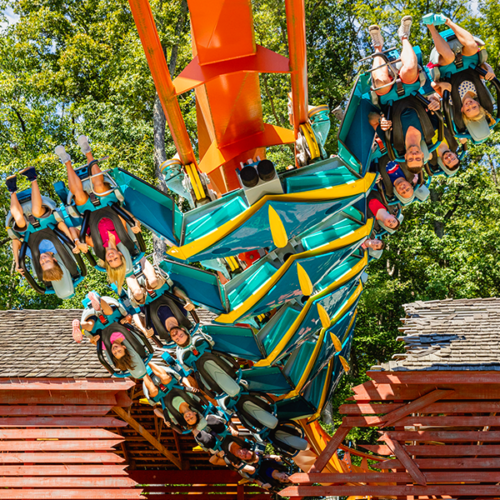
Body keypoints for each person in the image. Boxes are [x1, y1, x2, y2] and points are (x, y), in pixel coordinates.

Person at [55, 136, 142, 293]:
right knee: (100, 186)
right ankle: (87, 151)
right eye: (115, 258)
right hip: (107, 201)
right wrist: (135, 222)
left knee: (79, 196)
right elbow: (125, 214)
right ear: (121, 256)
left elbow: (74, 230)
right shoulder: (124, 237)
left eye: (110, 261)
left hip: (88, 209)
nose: (111, 257)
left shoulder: (96, 245)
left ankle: (66, 161)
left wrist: (77, 241)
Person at [368, 17, 441, 172]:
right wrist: (435, 100)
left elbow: (371, 118)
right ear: (423, 154)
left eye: (411, 159)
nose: (414, 155)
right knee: (409, 69)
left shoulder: (395, 142)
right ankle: (404, 36)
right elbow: (435, 100)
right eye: (418, 158)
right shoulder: (430, 130)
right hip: (411, 90)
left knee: (380, 81)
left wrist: (380, 120)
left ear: (406, 158)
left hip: (389, 98)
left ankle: (377, 47)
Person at [424, 15, 496, 141]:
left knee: (450, 57)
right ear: (478, 104)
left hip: (446, 64)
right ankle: (447, 21)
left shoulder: (452, 100)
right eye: (474, 107)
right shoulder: (480, 89)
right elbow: (483, 65)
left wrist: (442, 85)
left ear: (462, 109)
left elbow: (433, 85)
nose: (470, 105)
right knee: (473, 47)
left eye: (468, 109)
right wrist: (489, 70)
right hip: (467, 59)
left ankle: (430, 25)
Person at [7, 168, 85, 284]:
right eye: (47, 261)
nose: (43, 260)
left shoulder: (32, 254)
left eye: (42, 264)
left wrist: (18, 262)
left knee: (20, 221)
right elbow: (62, 225)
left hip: (25, 223)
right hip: (45, 216)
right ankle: (33, 178)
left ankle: (12, 190)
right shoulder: (58, 246)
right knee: (36, 211)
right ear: (54, 260)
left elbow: (15, 241)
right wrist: (73, 241)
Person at [169, 325, 242, 398]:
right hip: (216, 362)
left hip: (206, 365)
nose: (176, 335)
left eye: (178, 338)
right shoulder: (198, 336)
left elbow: (188, 369)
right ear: (182, 329)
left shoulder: (180, 354)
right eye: (180, 336)